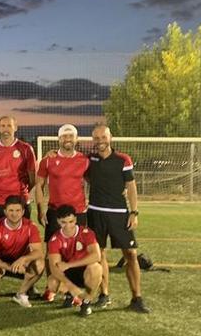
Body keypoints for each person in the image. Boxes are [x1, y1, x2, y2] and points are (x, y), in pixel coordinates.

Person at [86, 124, 150, 313]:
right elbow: (86, 176)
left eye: (103, 137)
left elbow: (131, 187)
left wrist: (134, 212)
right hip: (95, 212)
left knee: (130, 254)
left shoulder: (123, 159)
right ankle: (104, 295)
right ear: (93, 140)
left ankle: (136, 298)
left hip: (119, 214)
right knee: (100, 255)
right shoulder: (89, 160)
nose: (100, 141)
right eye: (96, 138)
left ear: (110, 138)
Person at [0, 196, 45, 307]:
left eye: (18, 210)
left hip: (21, 263)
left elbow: (39, 252)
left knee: (40, 264)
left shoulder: (31, 226)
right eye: (11, 210)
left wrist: (24, 259)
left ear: (23, 212)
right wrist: (10, 267)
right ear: (5, 212)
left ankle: (21, 294)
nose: (14, 214)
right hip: (1, 263)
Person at [0, 115, 36, 234]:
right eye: (3, 126)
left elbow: (33, 178)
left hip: (19, 201)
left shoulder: (26, 149)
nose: (6, 129)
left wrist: (22, 192)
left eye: (9, 126)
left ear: (15, 128)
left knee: (22, 240)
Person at [46, 205, 104, 317]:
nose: (68, 226)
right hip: (68, 274)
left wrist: (69, 264)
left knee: (96, 268)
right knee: (52, 283)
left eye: (71, 221)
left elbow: (97, 256)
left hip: (84, 270)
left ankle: (86, 302)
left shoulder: (86, 233)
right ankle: (69, 295)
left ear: (76, 219)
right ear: (58, 221)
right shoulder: (54, 239)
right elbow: (54, 267)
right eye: (64, 222)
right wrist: (70, 286)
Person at [35, 124, 89, 241]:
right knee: (51, 251)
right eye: (64, 136)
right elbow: (39, 185)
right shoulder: (48, 160)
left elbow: (95, 182)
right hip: (55, 212)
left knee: (78, 249)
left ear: (76, 138)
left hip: (78, 212)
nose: (68, 139)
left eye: (71, 136)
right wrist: (40, 210)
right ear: (59, 139)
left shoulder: (85, 160)